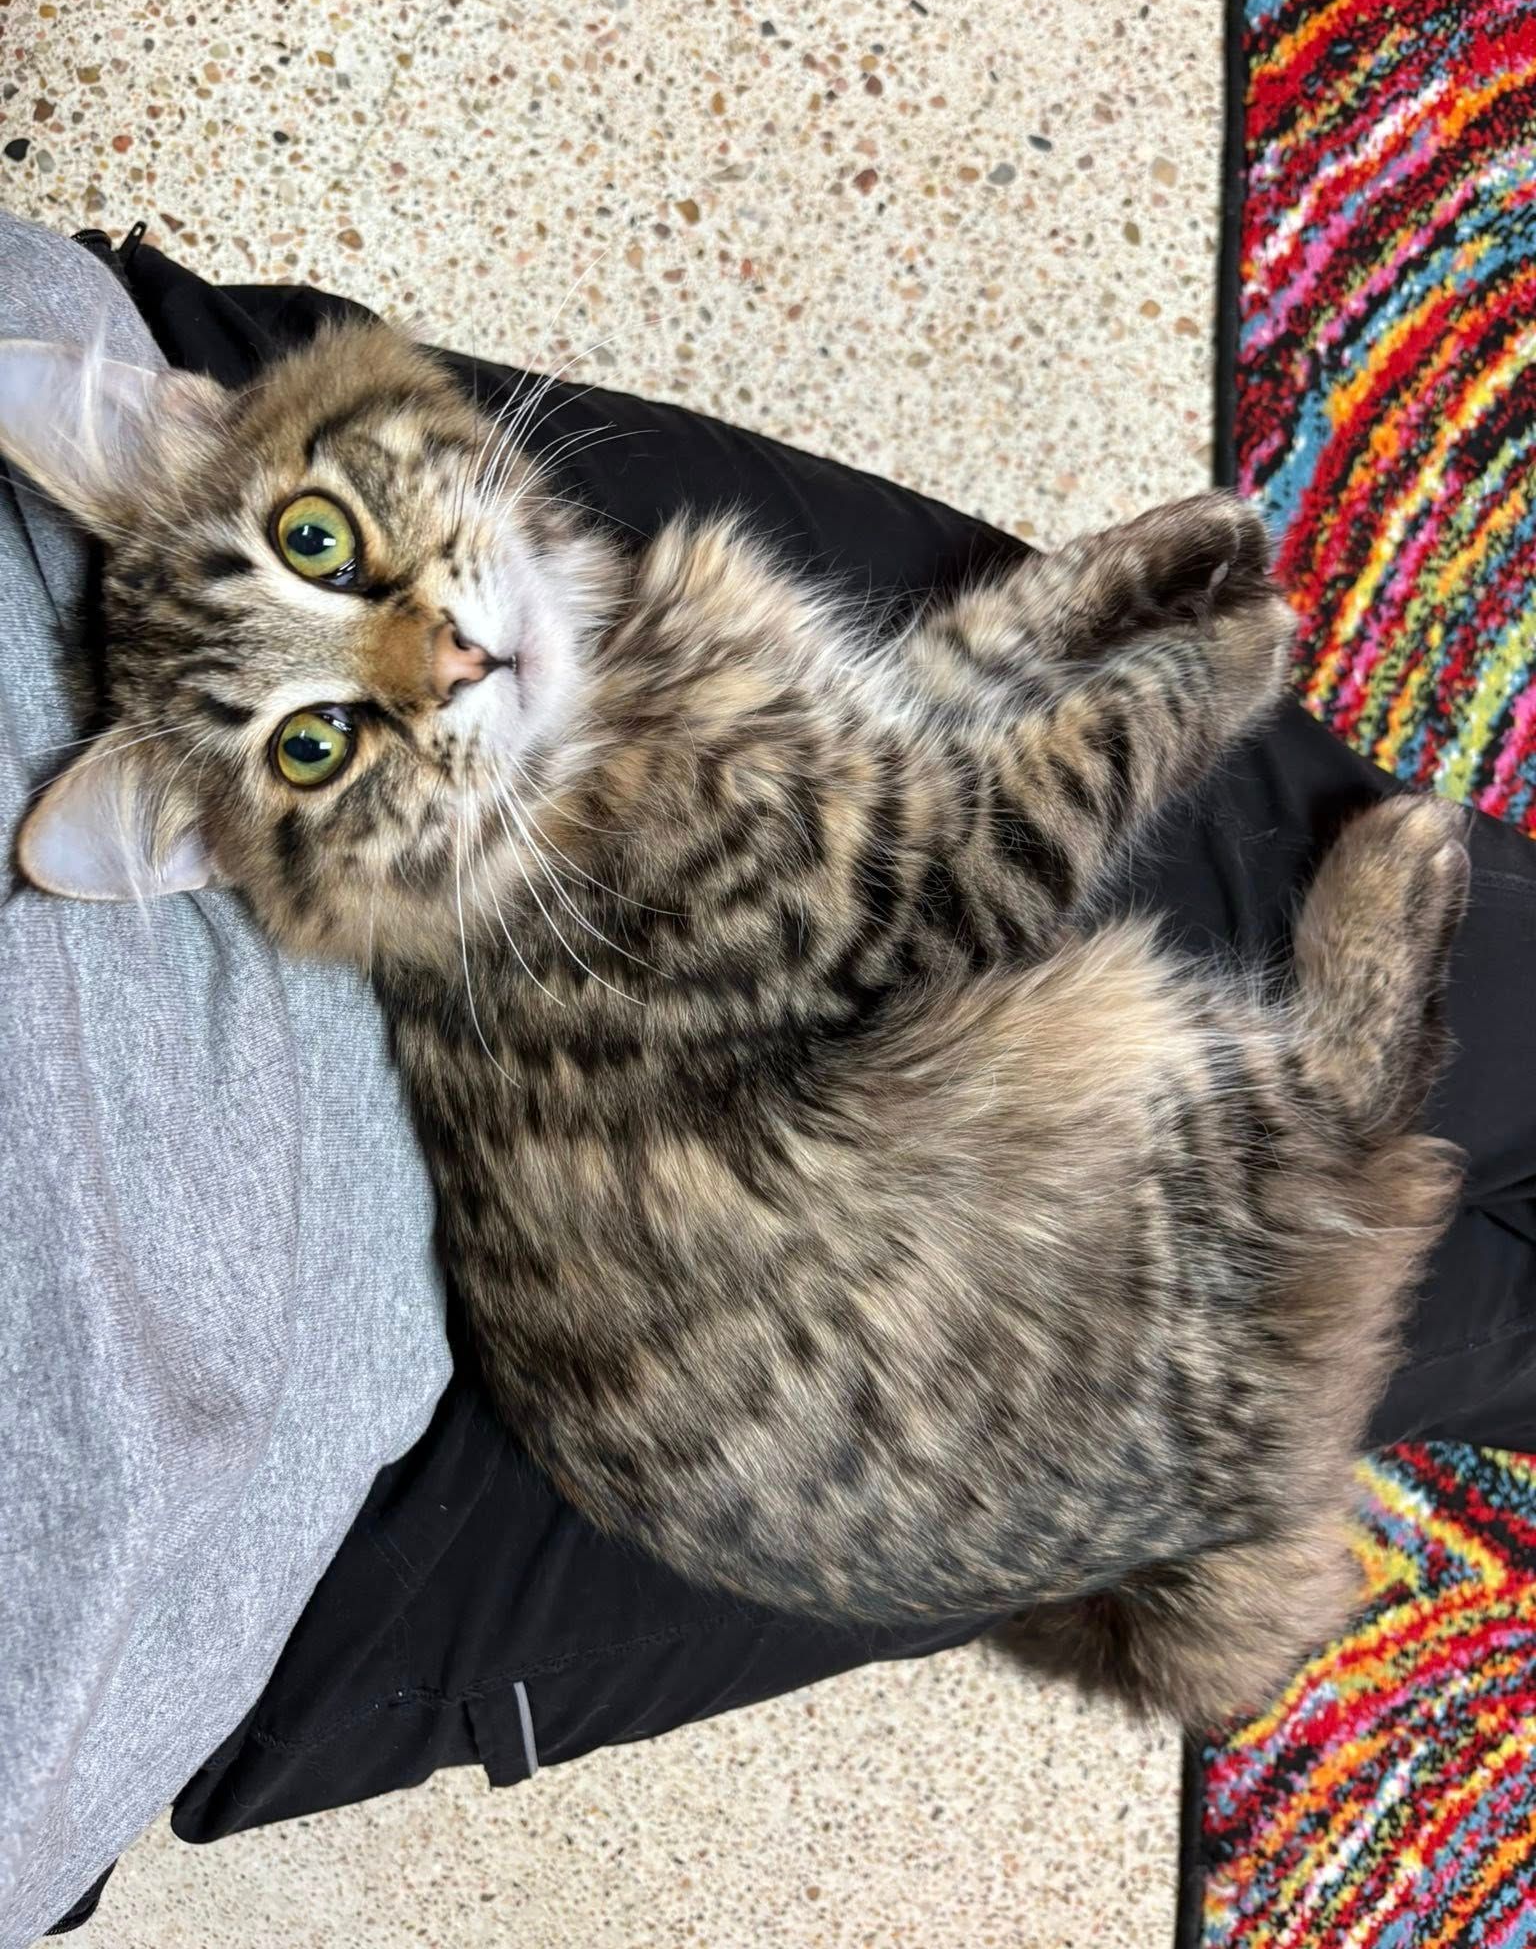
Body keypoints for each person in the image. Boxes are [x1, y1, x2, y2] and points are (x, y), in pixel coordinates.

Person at [4, 216, 1535, 1944]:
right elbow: (946, 880)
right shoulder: (565, 869)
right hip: (336, 1553)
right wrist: (1156, 694)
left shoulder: (528, 724)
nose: (422, 657)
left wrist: (1051, 643)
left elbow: (860, 803)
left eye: (320, 549)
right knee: (1411, 1018)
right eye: (321, 734)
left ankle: (1267, 1352)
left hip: (760, 1399)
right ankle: (1335, 1102)